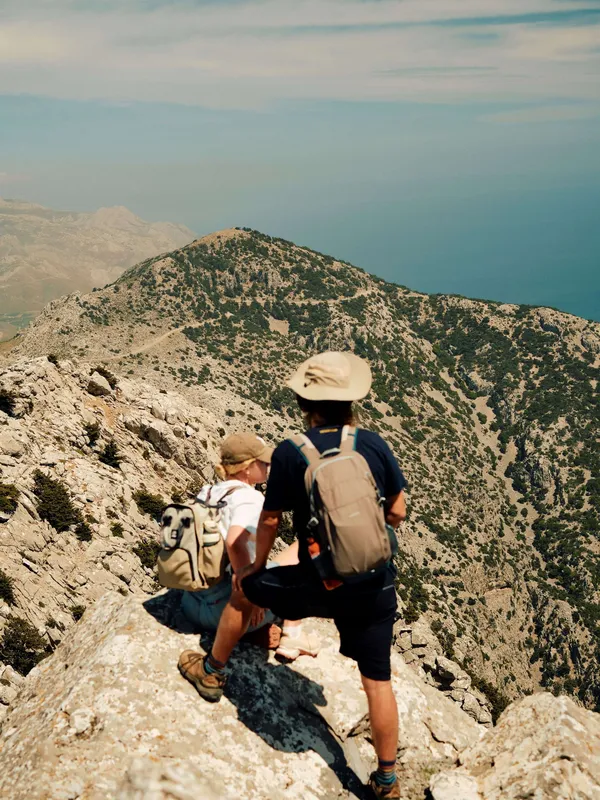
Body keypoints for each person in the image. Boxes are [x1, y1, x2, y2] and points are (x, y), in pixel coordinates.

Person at [180, 352, 407, 798]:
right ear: (351, 401)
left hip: (315, 584)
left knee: (245, 594)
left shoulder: (289, 453)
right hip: (373, 585)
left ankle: (211, 671)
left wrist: (252, 570)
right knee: (377, 682)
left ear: (305, 401)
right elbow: (397, 512)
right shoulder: (374, 443)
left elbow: (269, 521)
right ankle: (387, 780)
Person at [179, 432, 319, 694]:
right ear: (246, 468)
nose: (268, 466)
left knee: (292, 552)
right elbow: (235, 542)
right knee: (312, 549)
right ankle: (292, 635)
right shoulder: (249, 499)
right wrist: (250, 592)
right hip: (220, 611)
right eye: (262, 462)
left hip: (191, 603)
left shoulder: (209, 491)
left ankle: (253, 632)